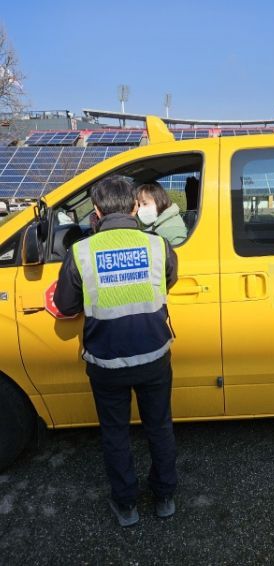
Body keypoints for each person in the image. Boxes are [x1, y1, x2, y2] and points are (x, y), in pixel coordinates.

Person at [53, 175, 178, 527]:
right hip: (154, 356)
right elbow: (169, 280)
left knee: (115, 433)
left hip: (106, 363)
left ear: (96, 210)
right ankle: (165, 497)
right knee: (159, 427)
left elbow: (66, 304)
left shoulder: (81, 252)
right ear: (135, 206)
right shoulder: (158, 245)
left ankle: (126, 506)